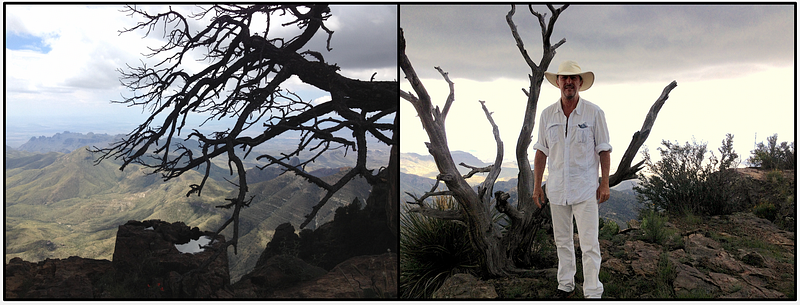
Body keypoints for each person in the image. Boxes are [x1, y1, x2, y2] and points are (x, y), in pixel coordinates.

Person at [532, 60, 611, 299]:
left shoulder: (594, 112)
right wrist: (537, 186)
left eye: (573, 78)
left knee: (589, 244)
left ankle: (592, 292)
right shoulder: (547, 115)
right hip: (556, 189)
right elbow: (541, 151)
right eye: (564, 78)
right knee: (562, 242)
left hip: (585, 189)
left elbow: (604, 150)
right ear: (558, 82)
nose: (568, 82)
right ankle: (565, 286)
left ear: (580, 83)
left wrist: (604, 183)